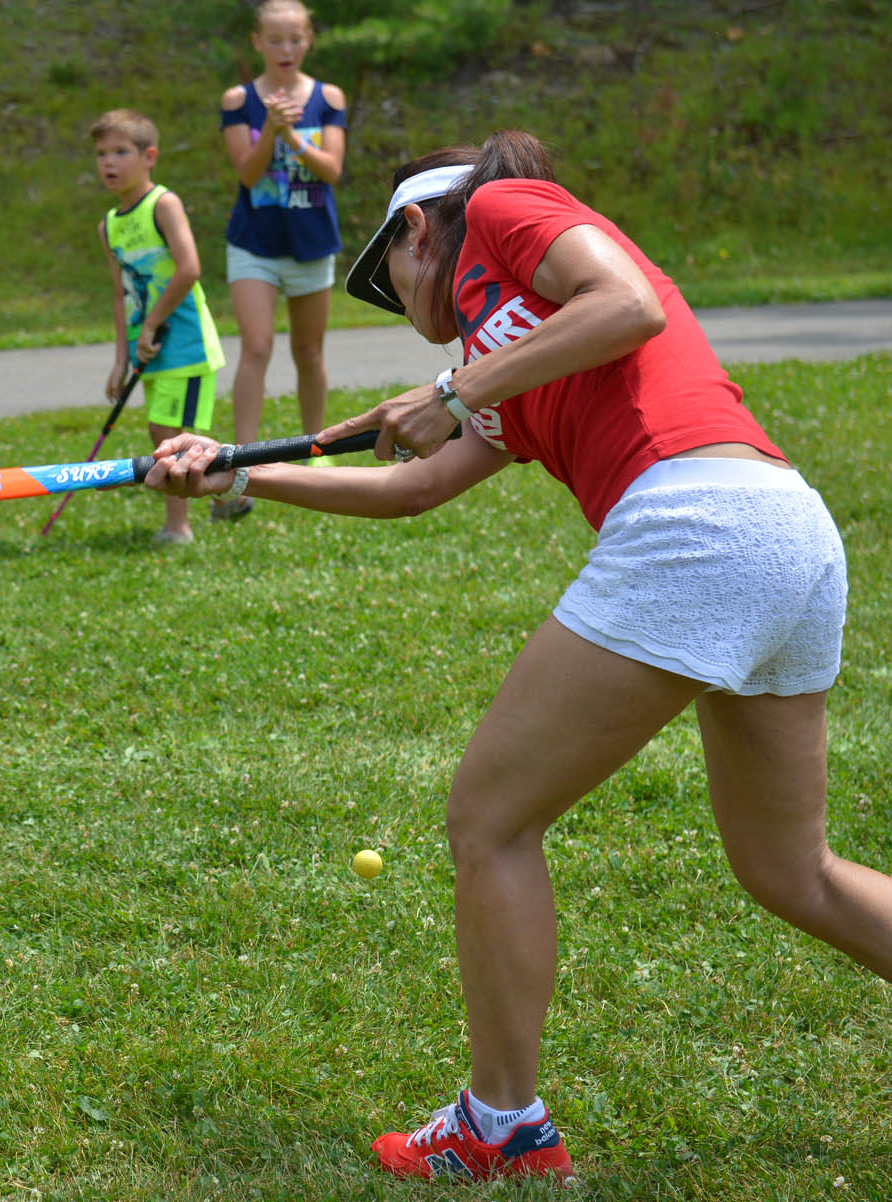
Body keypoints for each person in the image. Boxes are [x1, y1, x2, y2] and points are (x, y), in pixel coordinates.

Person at [143, 129, 892, 1180]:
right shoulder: (499, 359)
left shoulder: (507, 209)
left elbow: (626, 304)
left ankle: (501, 1127)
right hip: (786, 536)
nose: (404, 311)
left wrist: (452, 393)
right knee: (789, 869)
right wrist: (238, 475)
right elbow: (413, 484)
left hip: (700, 520)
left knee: (489, 817)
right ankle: (502, 1122)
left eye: (391, 279)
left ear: (417, 230)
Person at [217, 0, 347, 517]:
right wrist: (269, 128)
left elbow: (332, 169)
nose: (285, 49)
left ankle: (313, 449)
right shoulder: (238, 99)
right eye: (275, 40)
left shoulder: (327, 96)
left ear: (309, 40)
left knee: (309, 353)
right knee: (256, 346)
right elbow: (246, 176)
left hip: (311, 241)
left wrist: (291, 134)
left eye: (295, 39)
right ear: (257, 43)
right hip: (253, 243)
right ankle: (242, 467)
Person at [91, 110, 226, 546]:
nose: (109, 162)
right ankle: (232, 491)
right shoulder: (109, 225)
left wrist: (151, 324)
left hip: (183, 343)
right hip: (147, 348)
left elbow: (188, 268)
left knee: (172, 438)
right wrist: (120, 359)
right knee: (160, 432)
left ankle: (179, 528)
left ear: (149, 156)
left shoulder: (162, 205)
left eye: (121, 152)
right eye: (101, 154)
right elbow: (119, 293)